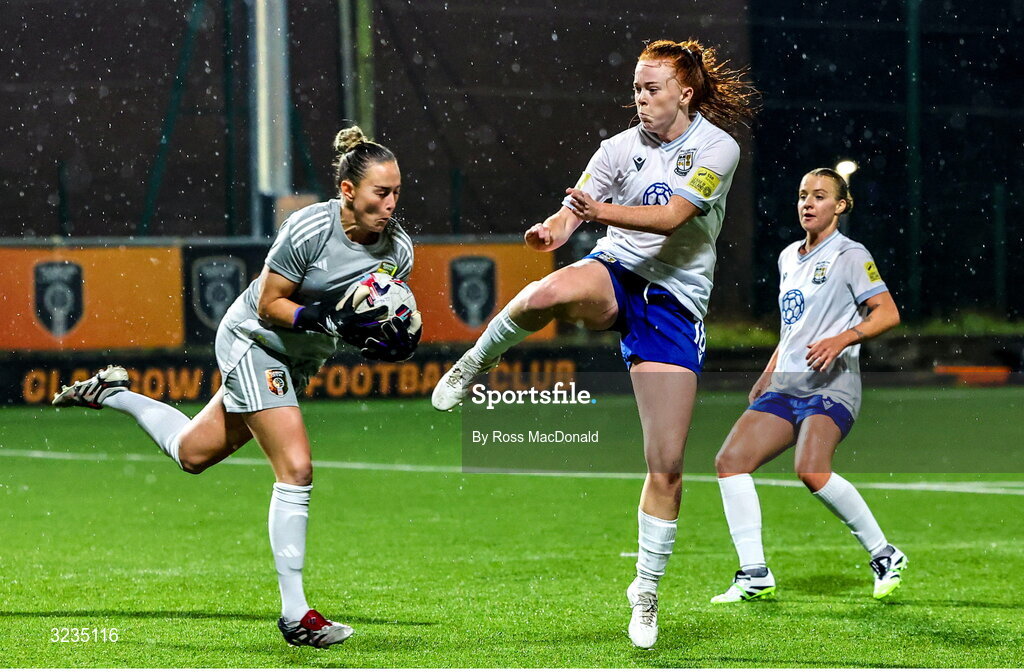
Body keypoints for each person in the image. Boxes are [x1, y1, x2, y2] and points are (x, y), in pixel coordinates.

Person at [431, 39, 757, 649]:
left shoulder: (717, 147)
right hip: (618, 273)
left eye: (651, 88)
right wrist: (551, 229)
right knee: (543, 293)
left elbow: (670, 219)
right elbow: (571, 214)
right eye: (635, 88)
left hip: (674, 304)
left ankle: (646, 590)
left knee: (666, 465)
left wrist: (597, 210)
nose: (639, 98)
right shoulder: (617, 149)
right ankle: (477, 360)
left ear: (685, 93)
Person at [52, 125, 421, 648]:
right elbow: (272, 304)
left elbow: (376, 316)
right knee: (296, 468)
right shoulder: (308, 230)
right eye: (381, 193)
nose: (390, 204)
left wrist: (387, 340)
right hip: (255, 340)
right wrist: (326, 319)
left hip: (298, 360)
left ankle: (113, 393)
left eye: (397, 193)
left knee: (191, 454)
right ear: (348, 191)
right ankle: (296, 614)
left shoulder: (398, 250)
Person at [711, 168, 905, 604]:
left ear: (840, 205)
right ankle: (754, 573)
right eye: (802, 195)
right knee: (730, 461)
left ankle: (885, 554)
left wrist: (844, 338)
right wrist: (769, 369)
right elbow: (793, 328)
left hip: (832, 385)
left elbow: (886, 312)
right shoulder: (787, 257)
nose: (807, 203)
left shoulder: (851, 255)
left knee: (811, 469)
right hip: (787, 383)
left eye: (819, 196)